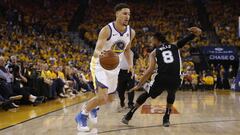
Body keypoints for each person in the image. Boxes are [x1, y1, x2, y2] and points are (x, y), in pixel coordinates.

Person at [121, 27, 202, 127]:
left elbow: (149, 71)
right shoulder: (174, 45)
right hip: (176, 78)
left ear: (156, 40)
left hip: (161, 78)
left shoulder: (154, 52)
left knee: (146, 94)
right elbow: (197, 33)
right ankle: (166, 118)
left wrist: (139, 85)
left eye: (152, 40)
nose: (151, 42)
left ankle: (129, 115)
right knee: (171, 93)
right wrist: (194, 32)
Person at [75, 3, 135, 132]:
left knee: (110, 98)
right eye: (124, 13)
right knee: (102, 97)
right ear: (117, 14)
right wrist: (101, 55)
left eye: (129, 14)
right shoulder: (107, 29)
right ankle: (82, 115)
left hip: (114, 67)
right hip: (100, 64)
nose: (127, 16)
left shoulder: (131, 32)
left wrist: (130, 64)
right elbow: (97, 49)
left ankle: (94, 107)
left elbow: (127, 50)